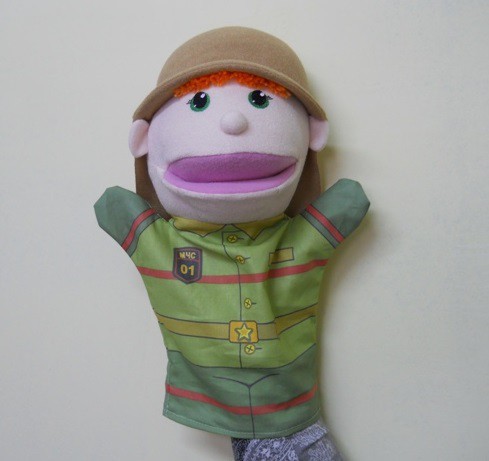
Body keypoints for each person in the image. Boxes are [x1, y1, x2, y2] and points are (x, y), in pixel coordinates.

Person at [95, 27, 369, 460]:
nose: (233, 122)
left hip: (293, 408)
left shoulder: (296, 240)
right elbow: (350, 199)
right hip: (267, 410)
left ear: (313, 133)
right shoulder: (162, 246)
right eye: (199, 101)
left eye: (260, 99)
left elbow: (113, 205)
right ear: (144, 140)